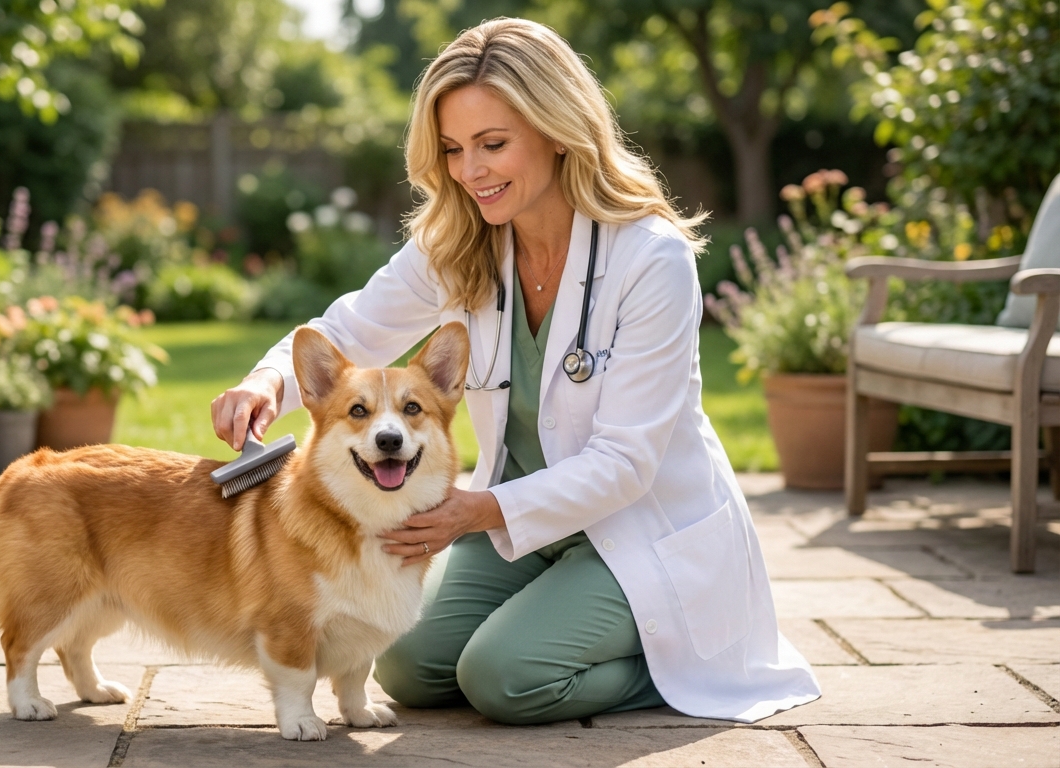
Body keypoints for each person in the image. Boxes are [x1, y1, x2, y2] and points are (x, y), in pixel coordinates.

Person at [209, 17, 820, 725]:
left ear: (558, 130)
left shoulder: (650, 260)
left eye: (493, 144)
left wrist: (475, 511)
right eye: (453, 150)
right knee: (407, 664)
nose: (471, 172)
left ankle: (677, 665)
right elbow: (348, 328)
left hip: (638, 527)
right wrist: (266, 383)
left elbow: (626, 462)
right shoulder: (457, 245)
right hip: (522, 525)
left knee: (503, 679)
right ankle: (555, 628)